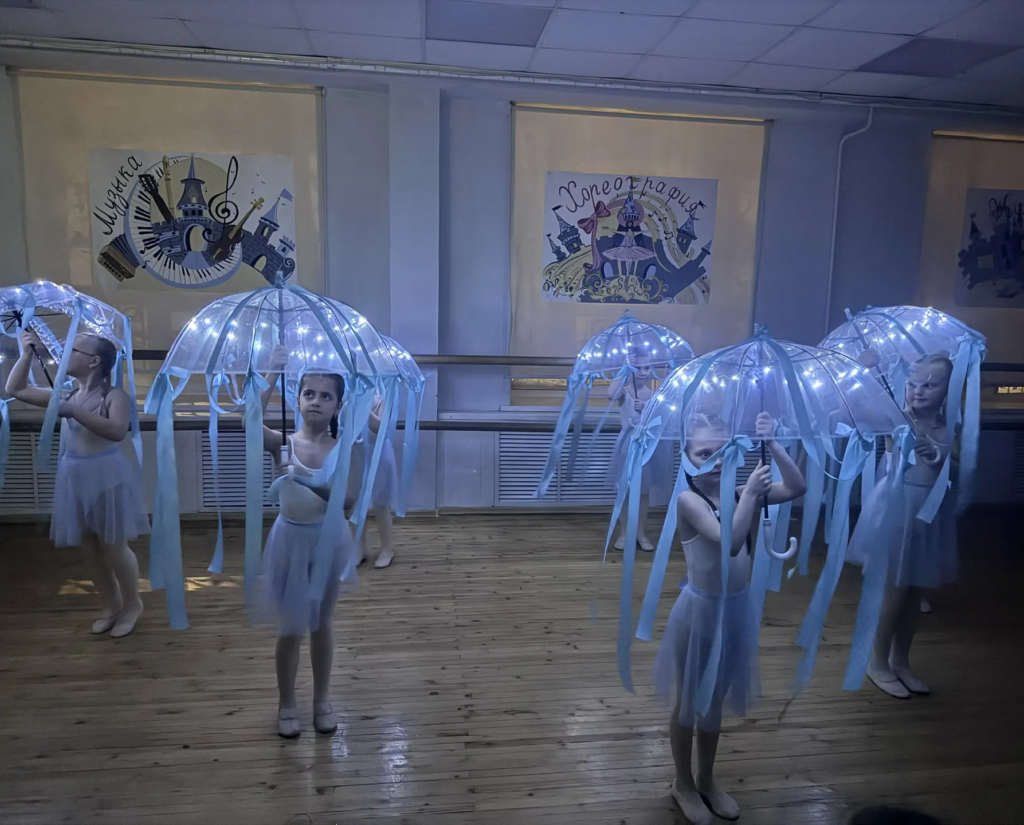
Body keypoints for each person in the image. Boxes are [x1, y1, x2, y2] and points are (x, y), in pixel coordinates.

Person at [654, 412, 806, 825]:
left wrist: (772, 445)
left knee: (714, 700)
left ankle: (706, 778)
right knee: (689, 701)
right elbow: (731, 542)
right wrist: (752, 494)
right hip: (699, 613)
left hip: (735, 611)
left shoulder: (739, 493)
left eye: (723, 450)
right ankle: (683, 783)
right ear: (686, 458)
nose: (716, 460)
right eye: (704, 453)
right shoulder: (689, 501)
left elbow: (797, 487)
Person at [6, 329, 147, 638]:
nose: (64, 354)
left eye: (73, 350)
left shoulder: (114, 396)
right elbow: (16, 388)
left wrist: (75, 411)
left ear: (94, 361)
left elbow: (116, 431)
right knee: (90, 548)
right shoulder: (66, 394)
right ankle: (111, 604)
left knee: (114, 546)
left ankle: (132, 604)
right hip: (74, 476)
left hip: (106, 477)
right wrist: (27, 353)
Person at [253, 347, 359, 738]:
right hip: (290, 539)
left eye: (325, 396)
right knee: (291, 626)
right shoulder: (280, 442)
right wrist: (271, 372)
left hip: (328, 538)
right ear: (297, 400)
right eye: (308, 393)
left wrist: (303, 477)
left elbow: (347, 501)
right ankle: (286, 702)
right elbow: (246, 421)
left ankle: (322, 700)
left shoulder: (342, 447)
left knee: (321, 622)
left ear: (337, 406)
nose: (316, 401)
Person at [851, 354, 956, 699]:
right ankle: (877, 662)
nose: (918, 391)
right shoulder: (898, 419)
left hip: (930, 513)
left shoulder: (950, 425)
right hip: (897, 510)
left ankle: (901, 660)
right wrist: (871, 372)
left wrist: (938, 456)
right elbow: (864, 412)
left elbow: (959, 468)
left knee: (914, 593)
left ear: (948, 390)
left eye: (930, 385)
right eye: (912, 384)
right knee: (893, 592)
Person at [608, 354, 671, 552]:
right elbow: (611, 394)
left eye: (647, 368)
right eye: (638, 368)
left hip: (646, 445)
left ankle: (641, 533)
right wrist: (625, 369)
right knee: (625, 490)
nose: (643, 372)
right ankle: (624, 532)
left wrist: (647, 408)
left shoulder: (654, 394)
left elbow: (663, 418)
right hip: (627, 444)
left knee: (643, 493)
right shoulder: (624, 391)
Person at [360, 391, 398, 569]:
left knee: (381, 504)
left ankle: (386, 549)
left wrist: (361, 408)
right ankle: (359, 548)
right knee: (355, 505)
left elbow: (380, 427)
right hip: (356, 451)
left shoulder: (384, 392)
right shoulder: (348, 389)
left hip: (379, 451)